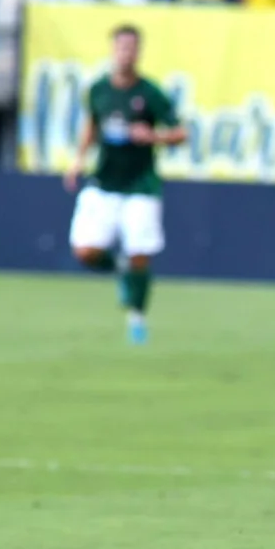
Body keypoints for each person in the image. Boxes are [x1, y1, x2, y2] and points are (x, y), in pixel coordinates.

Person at [65, 25, 188, 345]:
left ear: (139, 52)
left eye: (132, 47)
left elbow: (180, 132)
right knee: (85, 252)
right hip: (105, 181)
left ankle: (137, 317)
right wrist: (78, 160)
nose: (126, 53)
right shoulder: (98, 90)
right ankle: (119, 268)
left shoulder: (149, 93)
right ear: (113, 50)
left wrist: (154, 136)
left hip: (141, 185)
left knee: (140, 254)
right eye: (121, 47)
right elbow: (91, 126)